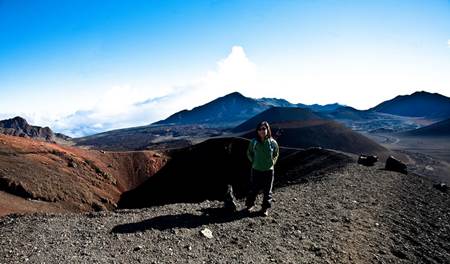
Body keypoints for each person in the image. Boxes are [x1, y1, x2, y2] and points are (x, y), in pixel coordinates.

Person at [245, 121, 279, 216]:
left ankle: (265, 209)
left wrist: (272, 162)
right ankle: (249, 204)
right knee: (254, 189)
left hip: (269, 170)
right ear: (257, 131)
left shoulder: (272, 143)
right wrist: (253, 161)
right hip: (256, 169)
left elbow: (276, 153)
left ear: (268, 130)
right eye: (260, 129)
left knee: (268, 191)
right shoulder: (254, 142)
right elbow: (249, 152)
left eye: (264, 128)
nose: (262, 131)